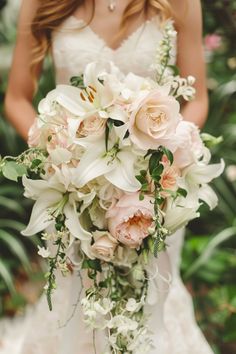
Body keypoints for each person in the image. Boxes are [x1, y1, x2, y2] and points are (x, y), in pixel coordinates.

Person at [1, 0, 212, 353]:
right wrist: (58, 151)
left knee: (151, 300)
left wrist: (163, 161)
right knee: (74, 300)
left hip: (149, 195)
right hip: (74, 186)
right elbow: (17, 99)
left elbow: (198, 99)